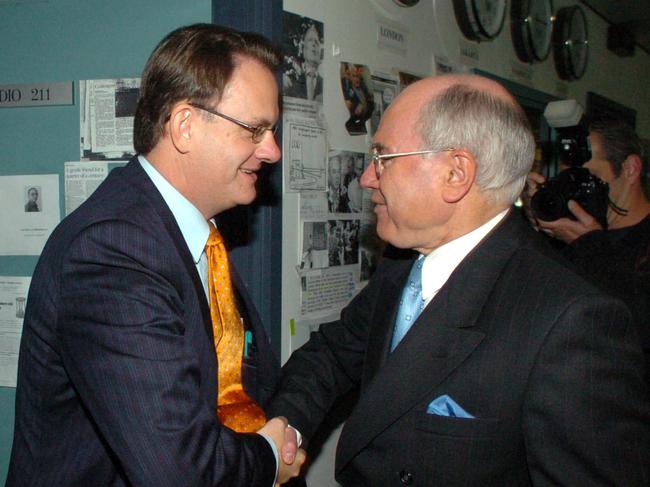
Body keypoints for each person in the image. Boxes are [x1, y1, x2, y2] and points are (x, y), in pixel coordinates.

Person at [268, 74, 650, 485]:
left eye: (383, 157)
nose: (366, 178)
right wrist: (283, 431)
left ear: (455, 173)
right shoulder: (402, 265)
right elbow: (331, 355)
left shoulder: (573, 320)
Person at [7, 24, 304, 487]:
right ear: (185, 125)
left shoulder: (195, 236)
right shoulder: (114, 250)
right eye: (254, 130)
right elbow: (177, 469)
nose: (272, 150)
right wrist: (268, 458)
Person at [527, 115, 650, 384]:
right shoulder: (567, 235)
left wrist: (589, 245)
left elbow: (636, 326)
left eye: (589, 178)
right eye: (569, 179)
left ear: (630, 168)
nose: (578, 190)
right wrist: (537, 229)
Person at [283, 22, 323, 102]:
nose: (314, 44)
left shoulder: (325, 85)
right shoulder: (290, 78)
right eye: (310, 40)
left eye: (317, 41)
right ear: (302, 48)